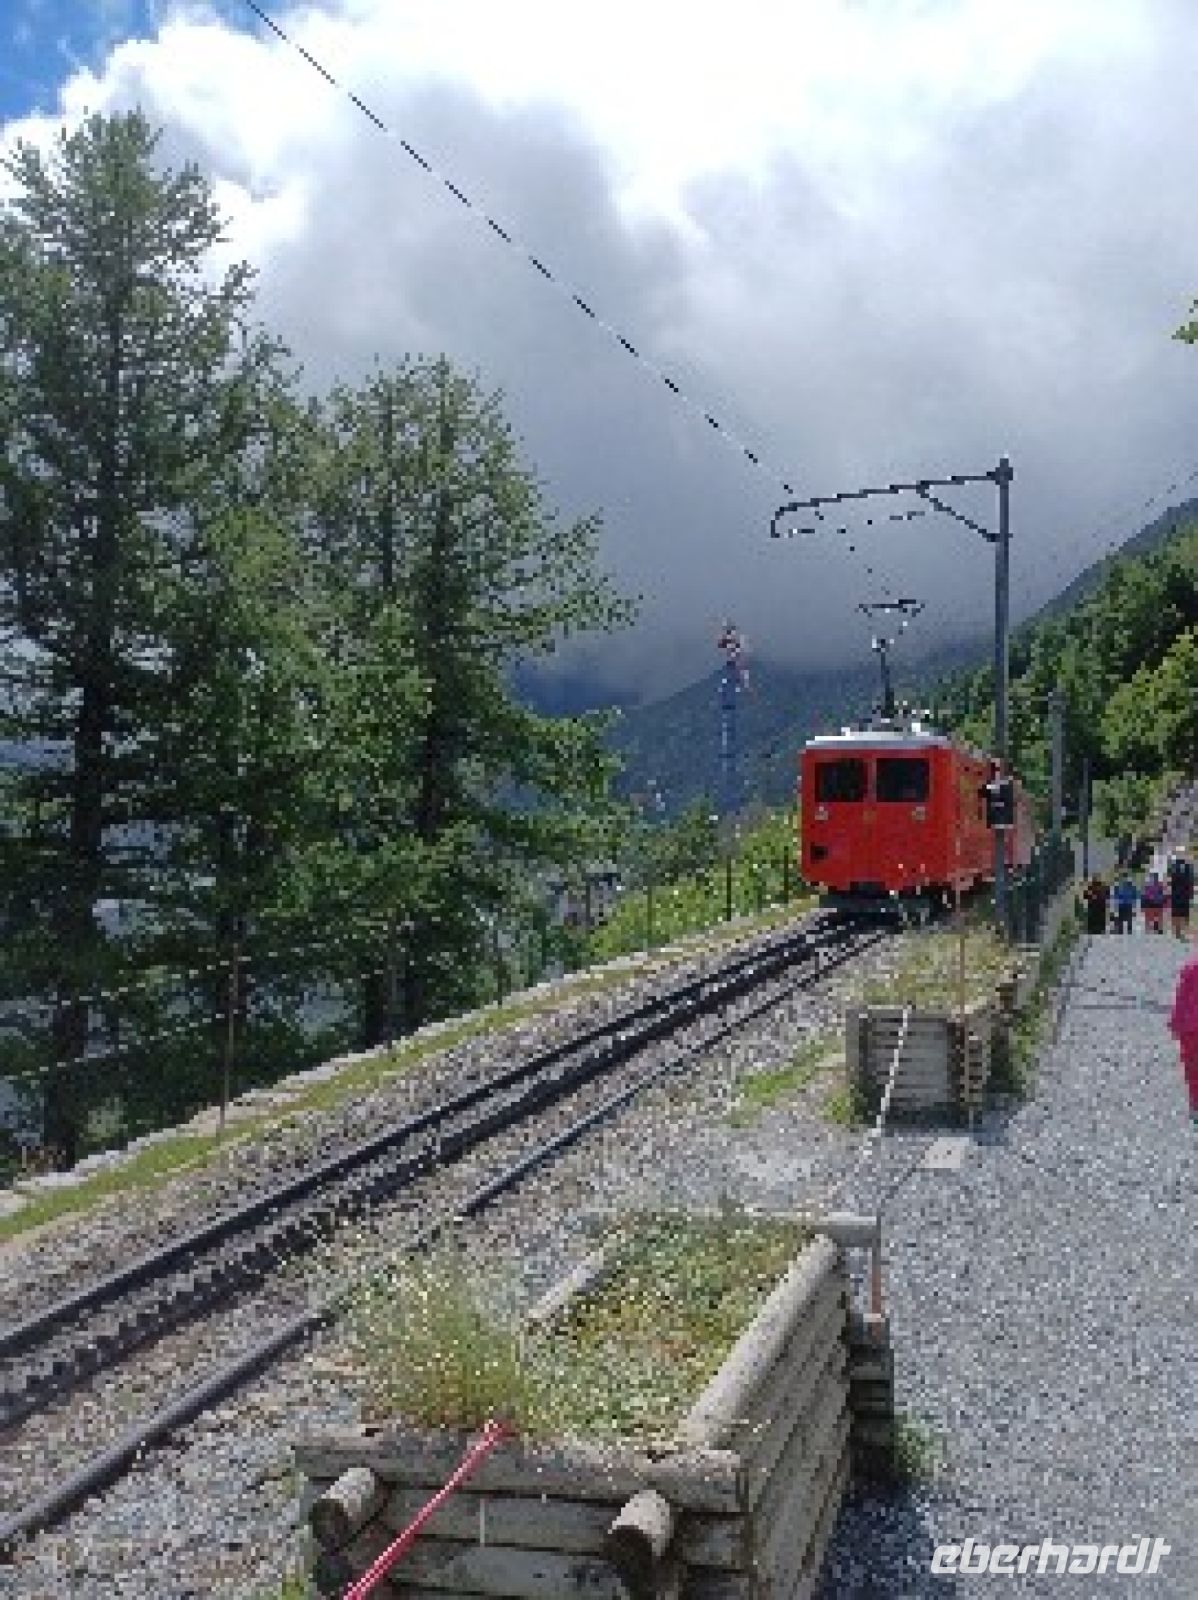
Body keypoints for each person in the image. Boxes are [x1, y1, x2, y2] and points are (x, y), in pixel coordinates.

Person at [1168, 948, 1198, 1125]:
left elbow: (1181, 998)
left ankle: (1196, 1102)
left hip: (1189, 1029)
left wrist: (1175, 1023)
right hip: (1190, 1029)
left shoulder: (1190, 968)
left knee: (1192, 1068)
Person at [1167, 849, 1194, 939]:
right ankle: (1178, 931)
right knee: (1178, 913)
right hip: (1177, 894)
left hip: (1183, 894)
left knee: (1183, 914)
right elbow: (1170, 880)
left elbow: (1190, 881)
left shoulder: (1187, 867)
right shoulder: (1174, 867)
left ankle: (1181, 931)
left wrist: (1190, 893)